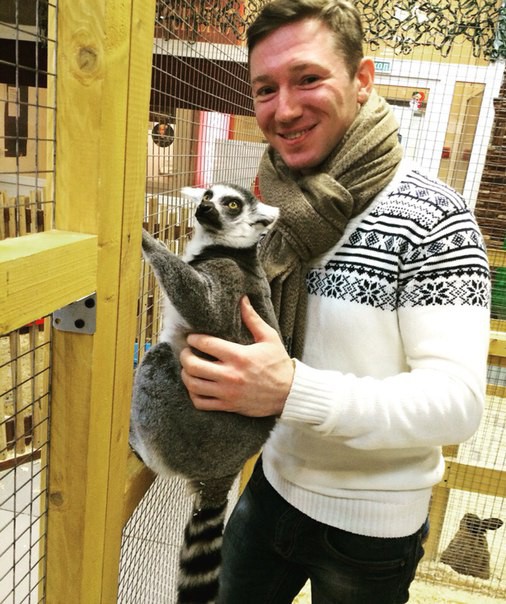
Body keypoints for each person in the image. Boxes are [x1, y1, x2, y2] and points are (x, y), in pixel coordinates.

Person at [179, 1, 491, 602]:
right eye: (265, 88)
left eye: (308, 78)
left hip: (371, 528)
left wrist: (290, 390)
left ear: (362, 79)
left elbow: (457, 405)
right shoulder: (271, 208)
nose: (284, 109)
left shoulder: (434, 218)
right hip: (271, 485)